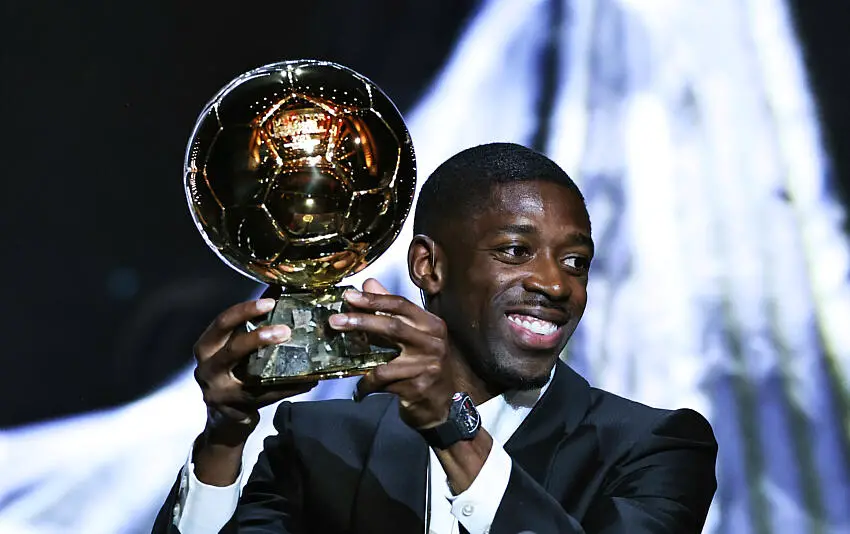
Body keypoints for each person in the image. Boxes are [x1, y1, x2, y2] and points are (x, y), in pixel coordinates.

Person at [152, 142, 718, 534]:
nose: (555, 283)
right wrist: (224, 437)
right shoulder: (321, 443)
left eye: (576, 262)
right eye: (515, 251)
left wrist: (453, 426)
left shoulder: (653, 447)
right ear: (429, 267)